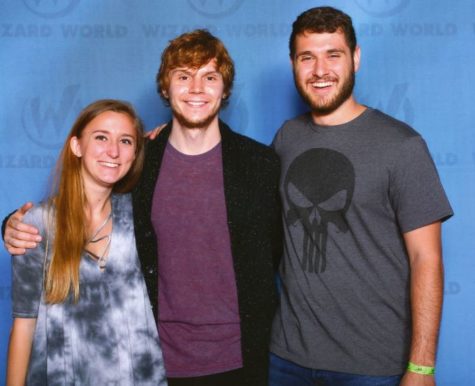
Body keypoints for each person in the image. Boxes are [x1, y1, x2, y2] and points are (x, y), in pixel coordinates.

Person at [3, 30, 282, 386]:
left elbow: (276, 249)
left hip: (240, 357)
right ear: (166, 88)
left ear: (224, 89)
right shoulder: (139, 164)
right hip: (153, 360)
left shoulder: (261, 164)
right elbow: (82, 199)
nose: (196, 88)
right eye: (183, 76)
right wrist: (12, 225)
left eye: (209, 77)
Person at [268, 6, 453, 386]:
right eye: (308, 57)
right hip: (286, 358)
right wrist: (171, 138)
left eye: (333, 54)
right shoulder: (287, 138)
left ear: (355, 58)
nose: (320, 70)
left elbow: (427, 259)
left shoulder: (402, 145)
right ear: (293, 64)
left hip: (371, 365)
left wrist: (421, 367)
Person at [6, 99, 167, 385]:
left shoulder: (142, 217)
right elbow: (24, 324)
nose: (113, 151)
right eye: (101, 137)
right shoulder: (37, 225)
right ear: (77, 146)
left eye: (126, 141)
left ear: (135, 154)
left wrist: (169, 134)